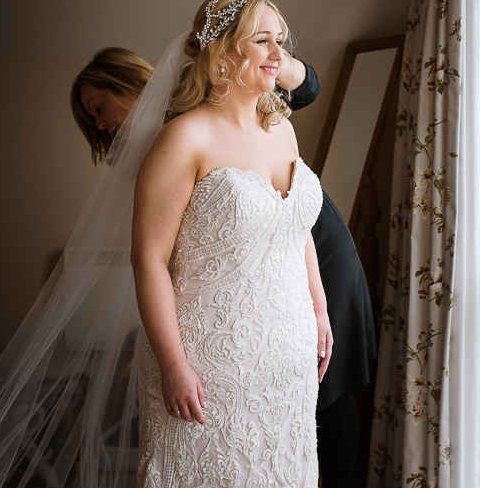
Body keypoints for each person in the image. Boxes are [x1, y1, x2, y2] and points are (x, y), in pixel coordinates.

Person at [72, 35, 376, 487]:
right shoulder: (170, 145)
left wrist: (271, 52)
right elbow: (181, 258)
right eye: (92, 118)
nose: (99, 125)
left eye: (99, 107)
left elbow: (306, 87)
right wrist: (165, 345)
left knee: (325, 393)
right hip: (246, 274)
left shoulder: (212, 92)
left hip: (306, 245)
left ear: (126, 85)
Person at [130, 0, 328, 486]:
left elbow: (294, 228)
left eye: (280, 41)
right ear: (221, 52)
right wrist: (173, 364)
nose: (280, 58)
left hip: (288, 358)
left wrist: (319, 309)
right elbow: (148, 259)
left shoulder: (281, 127)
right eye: (262, 41)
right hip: (212, 364)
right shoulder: (184, 139)